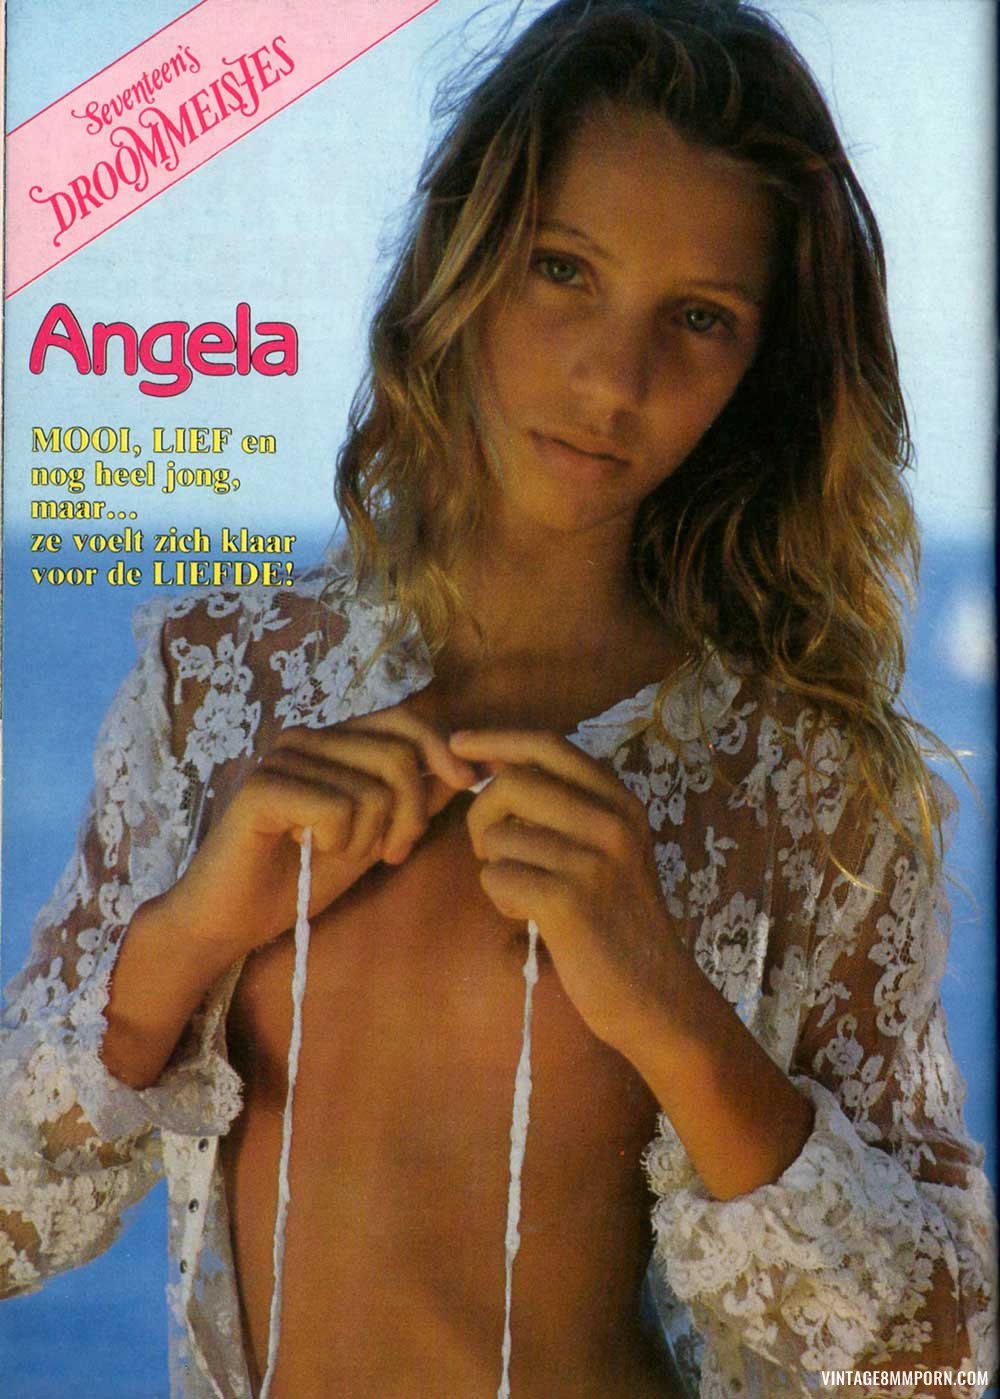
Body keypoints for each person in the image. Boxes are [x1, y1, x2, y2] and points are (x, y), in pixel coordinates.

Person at [1, 0, 996, 1395]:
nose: (612, 379)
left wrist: (672, 1012)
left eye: (699, 319)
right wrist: (186, 938)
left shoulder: (804, 785)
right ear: (460, 259)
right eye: (563, 269)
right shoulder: (219, 683)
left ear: (762, 368)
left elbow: (937, 1357)